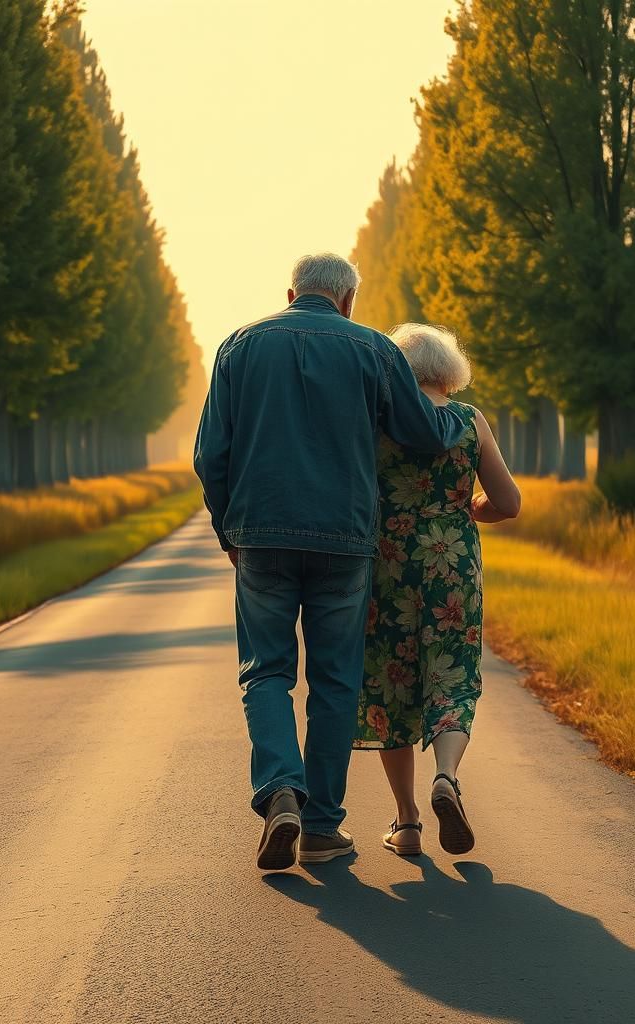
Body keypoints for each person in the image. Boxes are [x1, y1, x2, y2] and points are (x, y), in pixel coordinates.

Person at [194, 254, 468, 871]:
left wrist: (227, 527)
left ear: (291, 292)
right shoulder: (374, 350)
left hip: (260, 534)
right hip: (345, 537)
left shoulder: (239, 346)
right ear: (348, 301)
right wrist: (462, 423)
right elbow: (424, 432)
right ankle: (320, 827)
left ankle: (280, 792)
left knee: (265, 671)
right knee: (336, 680)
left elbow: (210, 453)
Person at [353, 323, 521, 858]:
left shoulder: (376, 421)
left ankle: (406, 822)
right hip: (452, 566)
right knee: (451, 675)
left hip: (388, 566)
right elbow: (509, 502)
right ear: (450, 372)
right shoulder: (469, 423)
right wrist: (470, 508)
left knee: (391, 682)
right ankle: (446, 775)